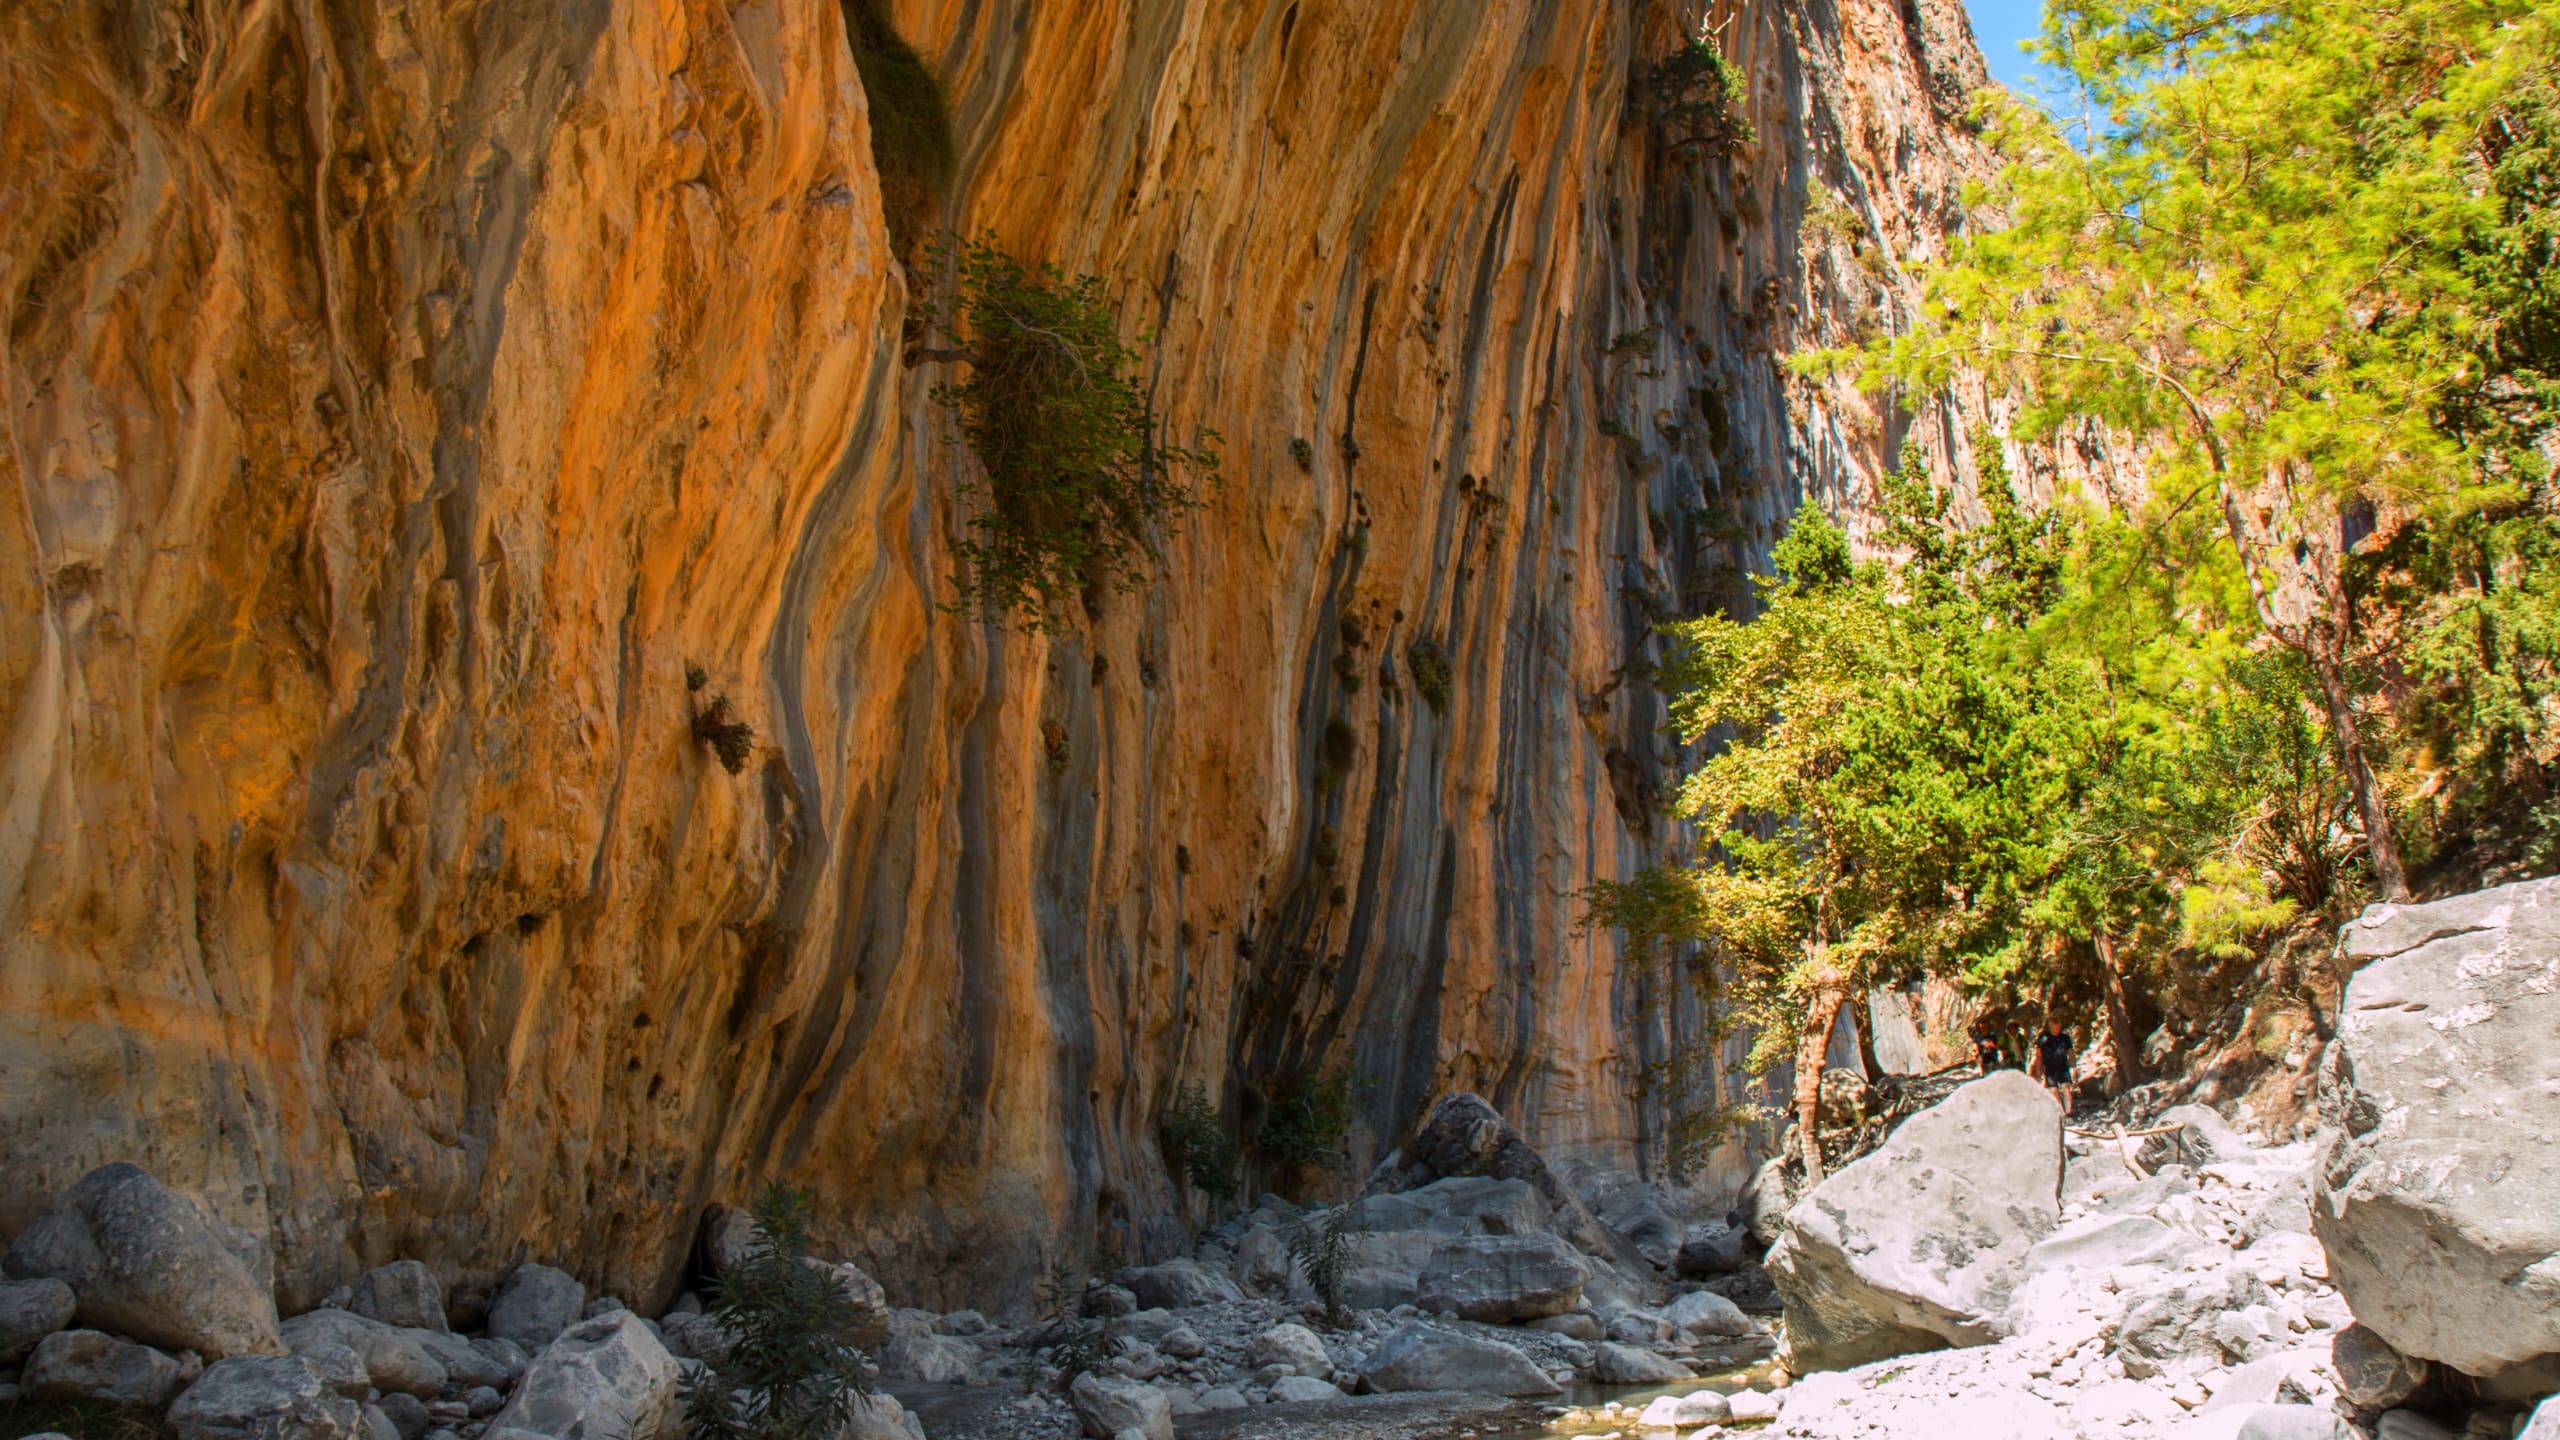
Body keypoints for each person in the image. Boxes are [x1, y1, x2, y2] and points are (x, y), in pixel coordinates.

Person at [2032, 1017, 2076, 1113]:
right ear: (2050, 1027)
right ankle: (2061, 1112)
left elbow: (2071, 1052)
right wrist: (2038, 1069)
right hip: (2049, 1067)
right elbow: (2038, 1054)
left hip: (2062, 1066)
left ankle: (2068, 1111)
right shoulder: (2043, 1038)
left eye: (2057, 1028)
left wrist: (2073, 1067)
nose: (2056, 1030)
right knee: (2053, 1090)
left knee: (2066, 1088)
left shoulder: (2065, 1038)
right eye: (2053, 1028)